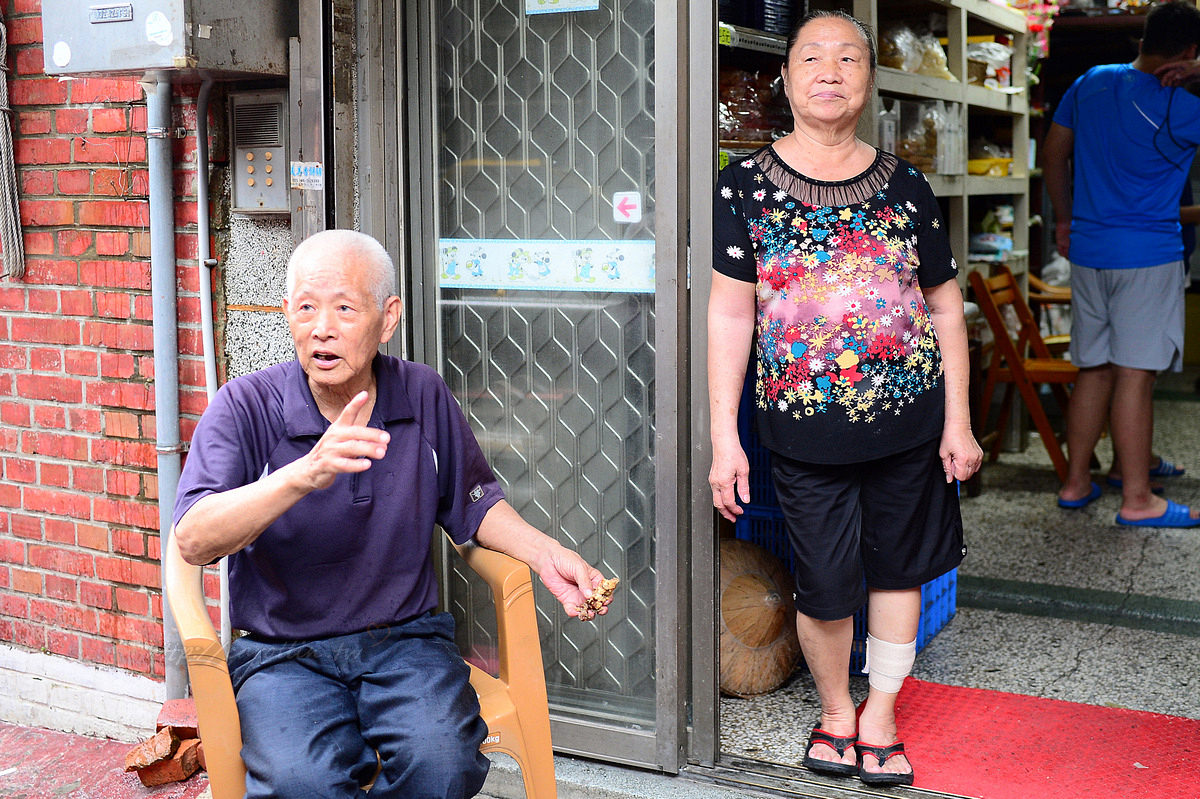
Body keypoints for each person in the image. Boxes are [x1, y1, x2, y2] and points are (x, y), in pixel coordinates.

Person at [172, 229, 611, 798]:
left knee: (443, 763)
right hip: (282, 653)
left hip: (404, 642)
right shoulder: (245, 406)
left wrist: (548, 555)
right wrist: (304, 473)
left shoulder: (422, 393)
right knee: (303, 783)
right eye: (306, 307)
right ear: (287, 314)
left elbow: (475, 508)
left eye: (344, 309)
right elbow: (194, 538)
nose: (321, 328)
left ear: (388, 317)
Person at [708, 10, 981, 788]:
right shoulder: (744, 187)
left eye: (849, 58)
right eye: (812, 58)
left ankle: (882, 714)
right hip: (801, 434)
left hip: (910, 425)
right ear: (786, 79)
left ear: (868, 80)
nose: (831, 70)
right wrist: (724, 437)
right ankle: (835, 711)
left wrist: (957, 419)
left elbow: (944, 305)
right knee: (825, 580)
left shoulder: (908, 185)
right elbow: (730, 312)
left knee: (898, 572)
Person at [1043, 0, 1200, 527]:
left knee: (1096, 369)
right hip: (1148, 257)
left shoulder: (1091, 81)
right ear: (1189, 51)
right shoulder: (1184, 102)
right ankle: (1138, 498)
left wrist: (1065, 219)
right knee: (1135, 376)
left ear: (1144, 38)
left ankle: (1076, 481)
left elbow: (1054, 152)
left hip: (1089, 250)